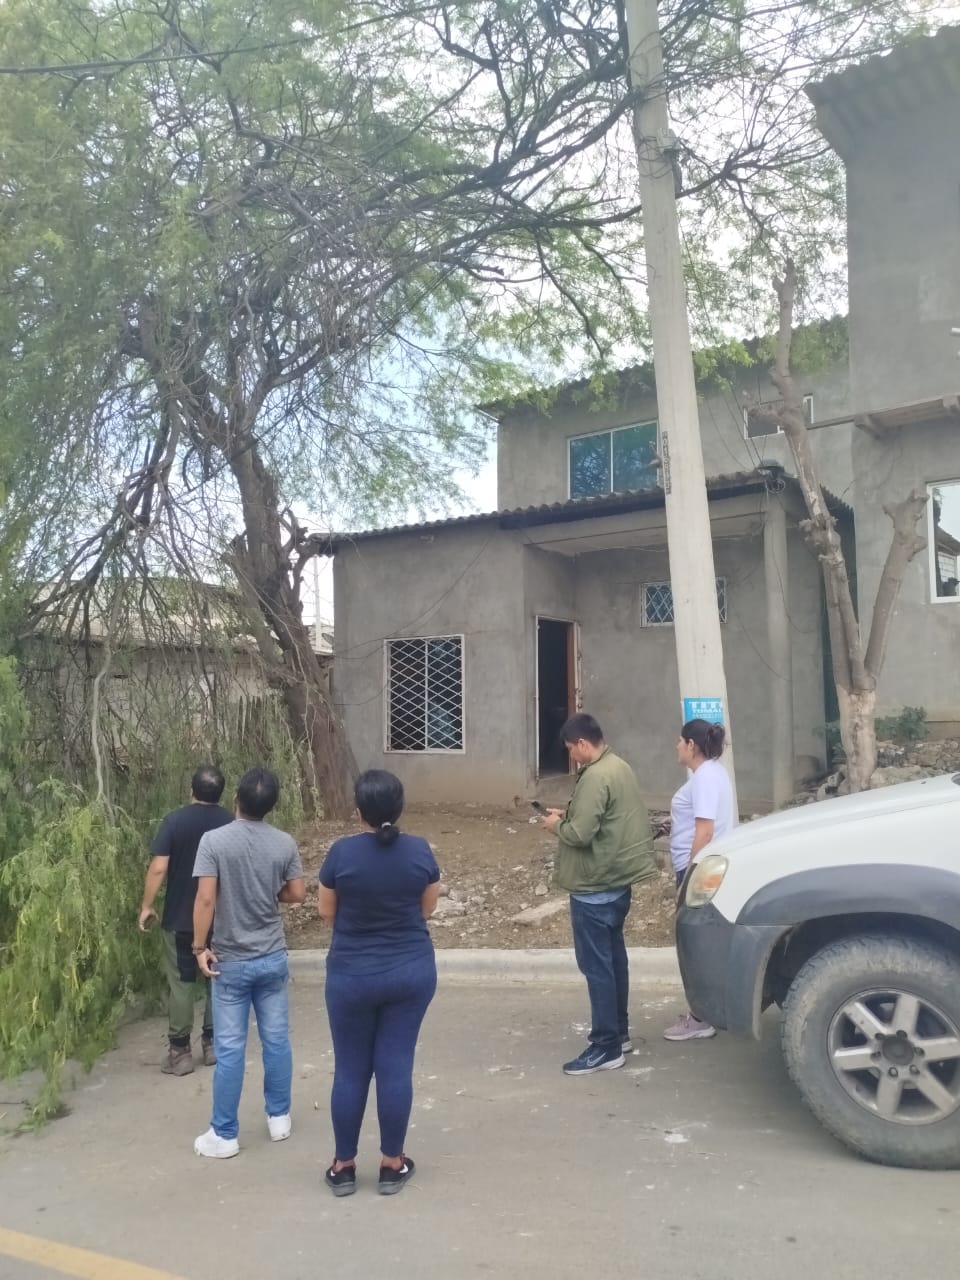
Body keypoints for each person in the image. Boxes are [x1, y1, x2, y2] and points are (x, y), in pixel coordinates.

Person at [318, 770, 440, 1197]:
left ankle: (343, 1166)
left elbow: (326, 912)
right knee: (395, 1063)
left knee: (351, 1067)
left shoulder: (341, 854)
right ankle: (392, 1164)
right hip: (410, 970)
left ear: (359, 812)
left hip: (351, 974)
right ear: (399, 807)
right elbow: (427, 908)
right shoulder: (419, 850)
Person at [191, 767, 305, 1159]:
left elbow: (206, 898)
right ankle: (279, 1118)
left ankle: (224, 1133)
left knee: (230, 1048)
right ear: (271, 805)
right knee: (276, 1040)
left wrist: (198, 947)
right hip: (271, 955)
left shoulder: (214, 841)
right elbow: (297, 893)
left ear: (236, 799)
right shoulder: (284, 843)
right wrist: (270, 892)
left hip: (231, 959)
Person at [541, 713, 656, 1077]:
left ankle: (605, 1046)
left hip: (594, 887)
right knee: (614, 962)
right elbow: (604, 819)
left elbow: (579, 835)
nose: (571, 756)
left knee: (597, 968)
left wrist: (555, 824)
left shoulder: (595, 776)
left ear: (583, 744)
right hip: (618, 883)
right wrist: (569, 814)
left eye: (571, 750)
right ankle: (619, 1033)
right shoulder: (619, 766)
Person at [138, 765, 233, 1076]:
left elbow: (158, 867)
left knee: (181, 984)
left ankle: (180, 1053)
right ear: (221, 793)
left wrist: (147, 905)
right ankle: (213, 1044)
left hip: (180, 918)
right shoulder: (231, 823)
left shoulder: (175, 821)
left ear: (191, 790)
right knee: (216, 978)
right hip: (220, 919)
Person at [663, 719, 736, 1043]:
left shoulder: (705, 777)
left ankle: (700, 1018)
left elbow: (704, 831)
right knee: (706, 941)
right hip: (709, 867)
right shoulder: (714, 773)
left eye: (680, 741)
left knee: (695, 945)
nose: (677, 746)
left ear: (691, 745)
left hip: (699, 870)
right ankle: (708, 1011)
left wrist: (689, 876)